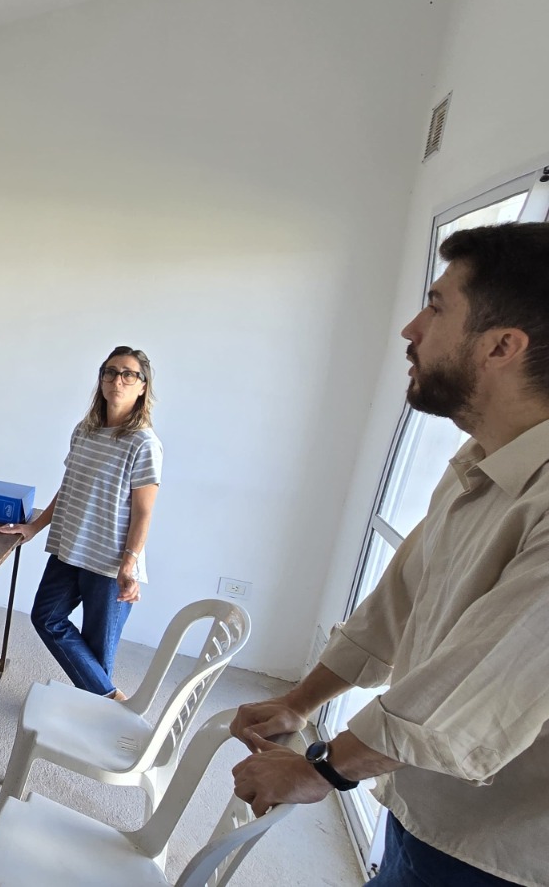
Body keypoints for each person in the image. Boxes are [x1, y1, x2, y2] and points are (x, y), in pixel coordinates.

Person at [231, 223, 549, 887]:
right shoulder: (482, 458)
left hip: (497, 857)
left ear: (501, 346)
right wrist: (300, 701)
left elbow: (473, 687)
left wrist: (322, 770)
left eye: (436, 308)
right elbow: (399, 603)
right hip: (424, 807)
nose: (411, 329)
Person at [0, 347, 162, 700]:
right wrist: (34, 527)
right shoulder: (85, 431)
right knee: (46, 616)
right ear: (101, 379)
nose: (118, 380)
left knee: (98, 650)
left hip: (110, 562)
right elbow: (70, 486)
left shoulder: (144, 443)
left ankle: (100, 711)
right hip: (70, 547)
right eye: (110, 372)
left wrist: (129, 563)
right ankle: (112, 700)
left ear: (142, 386)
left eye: (128, 374)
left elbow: (143, 512)